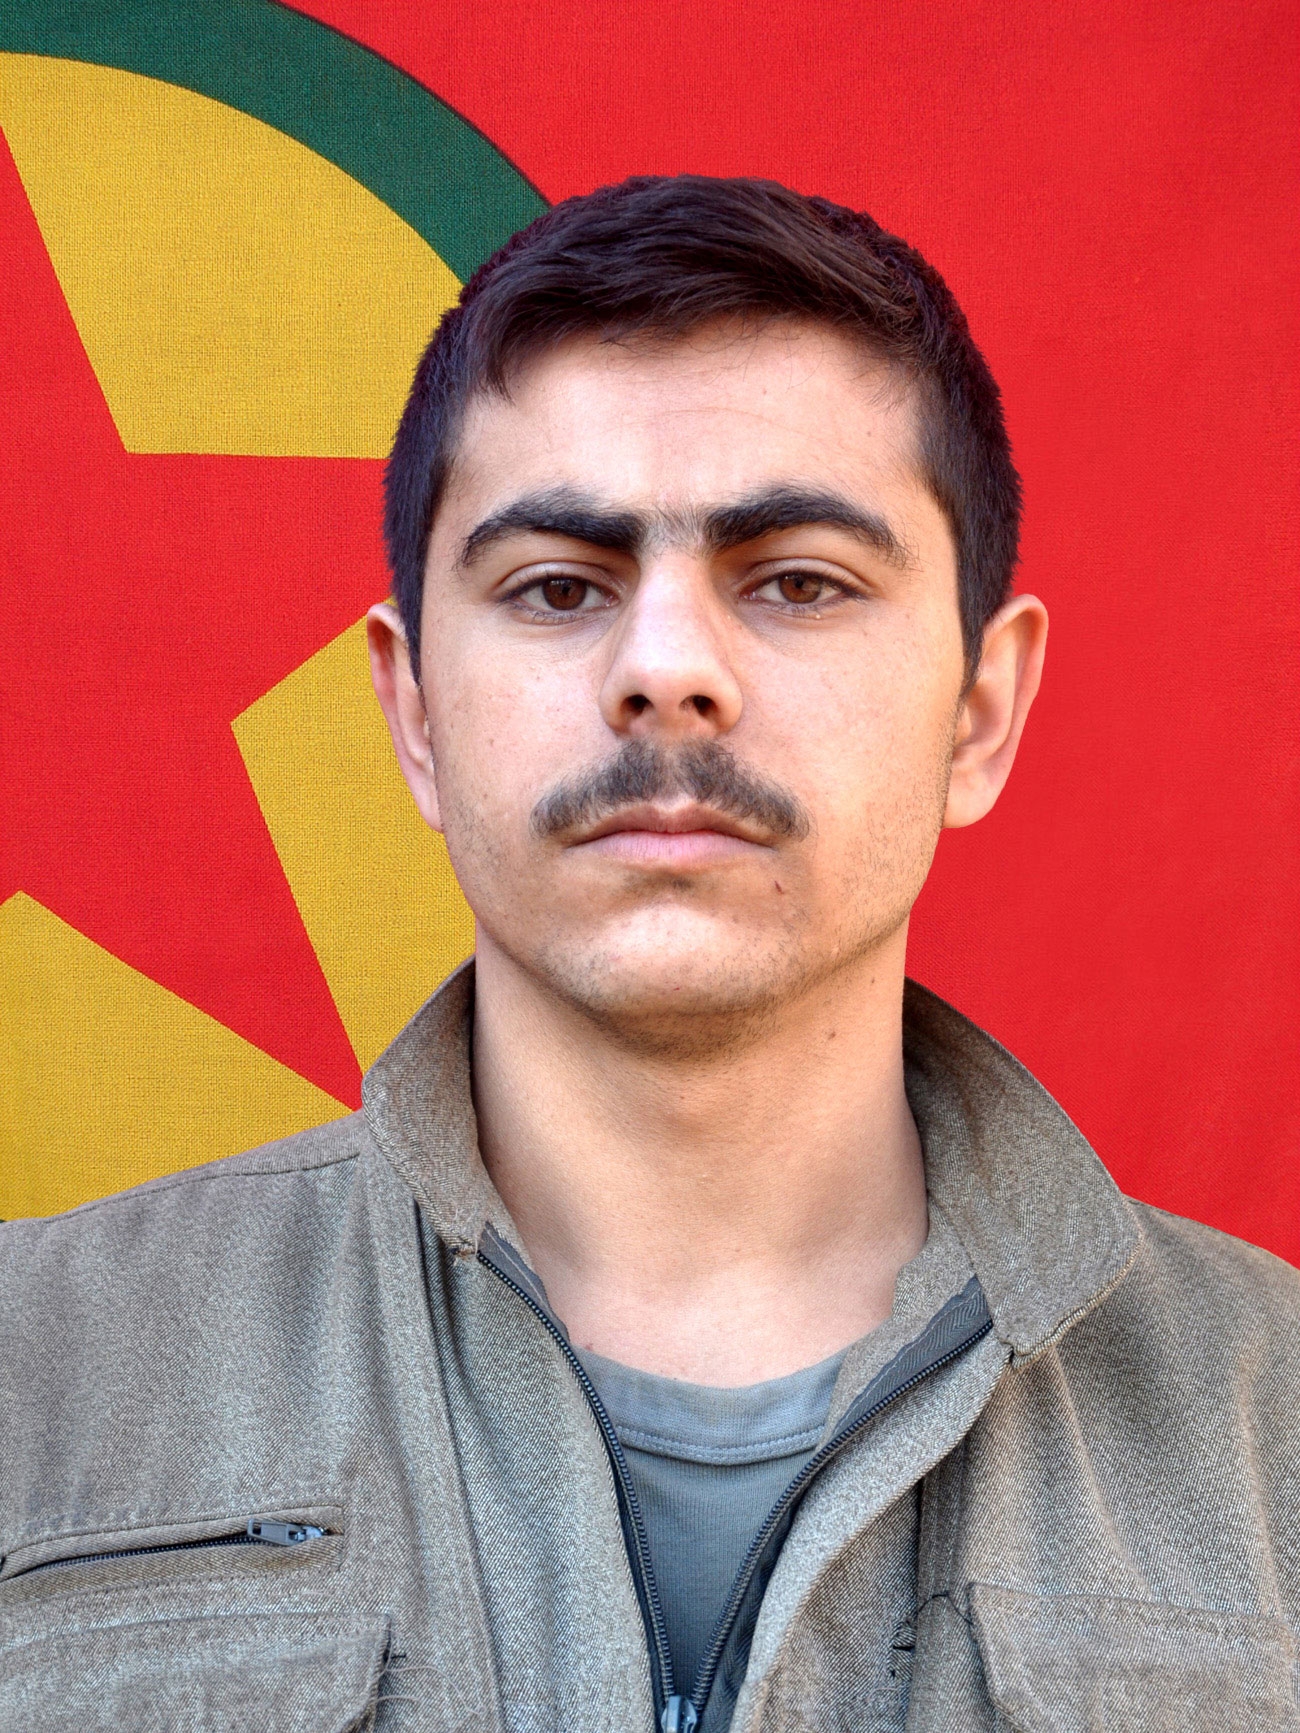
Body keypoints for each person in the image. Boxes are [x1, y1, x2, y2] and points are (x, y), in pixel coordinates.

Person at [1, 176, 1296, 1733]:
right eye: (559, 586)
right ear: (414, 714)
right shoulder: (34, 1376)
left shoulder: (1274, 1422)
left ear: (980, 708)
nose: (667, 668)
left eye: (799, 579)